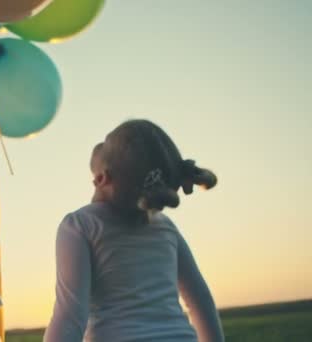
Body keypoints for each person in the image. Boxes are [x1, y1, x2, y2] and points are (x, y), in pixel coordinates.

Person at [44, 120, 224, 342]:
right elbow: (200, 299)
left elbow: (70, 317)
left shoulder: (80, 225)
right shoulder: (165, 227)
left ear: (102, 178)